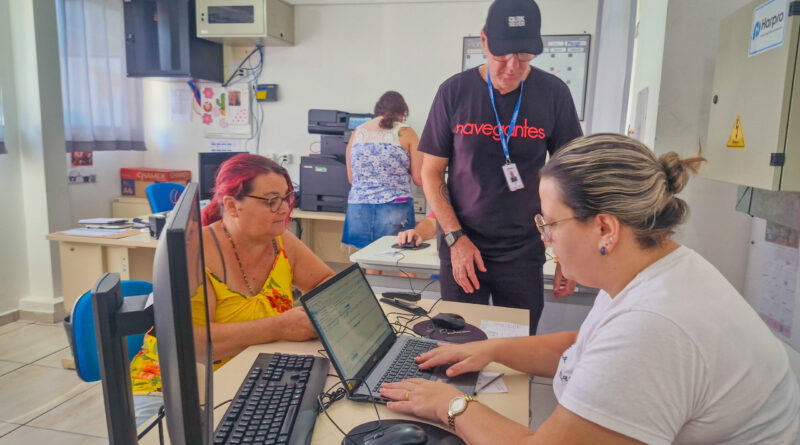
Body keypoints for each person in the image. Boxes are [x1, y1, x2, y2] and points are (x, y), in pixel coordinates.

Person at [380, 134, 800, 443]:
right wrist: (488, 351)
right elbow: (583, 344)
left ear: (604, 229)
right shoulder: (655, 269)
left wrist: (449, 406)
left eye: (550, 223)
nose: (545, 238)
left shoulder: (653, 326)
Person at [418, 0, 583, 334]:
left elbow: (571, 179)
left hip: (523, 250)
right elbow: (431, 173)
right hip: (462, 245)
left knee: (517, 349)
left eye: (523, 58)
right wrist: (456, 239)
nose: (511, 67)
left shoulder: (554, 94)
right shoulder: (454, 92)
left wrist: (569, 251)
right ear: (483, 42)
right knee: (458, 347)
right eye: (501, 56)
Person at [199, 154, 335, 365]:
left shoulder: (280, 241)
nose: (284, 209)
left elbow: (325, 282)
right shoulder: (197, 252)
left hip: (259, 371)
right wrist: (279, 327)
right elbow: (194, 344)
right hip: (192, 383)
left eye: (286, 197)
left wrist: (313, 316)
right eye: (271, 200)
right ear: (232, 206)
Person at [342, 91, 423, 253]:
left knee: (371, 259)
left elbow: (352, 179)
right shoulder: (406, 132)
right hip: (394, 205)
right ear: (402, 113)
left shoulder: (358, 132)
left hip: (358, 207)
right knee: (404, 258)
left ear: (377, 111)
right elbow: (418, 179)